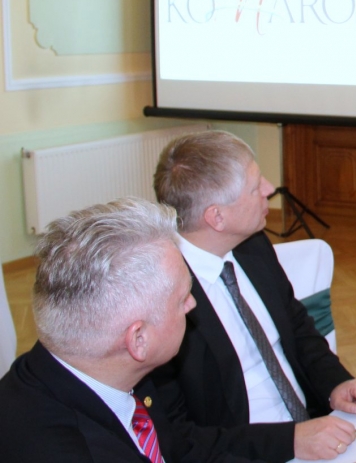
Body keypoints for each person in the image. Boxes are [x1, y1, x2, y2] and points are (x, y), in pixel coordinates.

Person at [152, 130, 356, 462]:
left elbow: (298, 328)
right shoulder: (161, 300)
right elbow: (181, 440)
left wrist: (335, 384)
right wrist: (290, 442)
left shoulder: (252, 246)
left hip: (317, 429)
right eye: (255, 186)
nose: (270, 189)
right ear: (216, 217)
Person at [0, 198, 264, 462]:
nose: (192, 304)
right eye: (182, 298)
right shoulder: (75, 450)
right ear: (139, 340)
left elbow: (181, 450)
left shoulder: (102, 367)